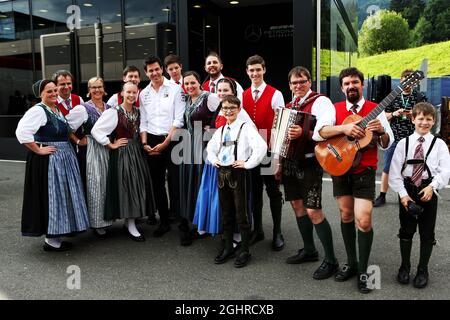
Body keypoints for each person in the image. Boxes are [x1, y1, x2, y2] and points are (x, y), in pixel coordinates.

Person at [317, 67, 394, 293]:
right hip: (340, 166)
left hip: (365, 170)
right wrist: (345, 128)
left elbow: (387, 143)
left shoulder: (375, 110)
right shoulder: (335, 108)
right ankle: (351, 263)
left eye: (355, 82)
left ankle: (364, 269)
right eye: (347, 83)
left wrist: (381, 132)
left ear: (362, 85)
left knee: (364, 220)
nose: (351, 86)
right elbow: (320, 132)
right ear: (342, 88)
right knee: (346, 214)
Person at [15, 79, 90, 251]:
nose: (54, 93)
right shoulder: (38, 111)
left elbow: (67, 129)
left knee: (63, 195)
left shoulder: (55, 109)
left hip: (64, 158)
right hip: (51, 160)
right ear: (40, 94)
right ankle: (51, 240)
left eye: (55, 90)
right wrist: (38, 150)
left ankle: (58, 234)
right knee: (53, 197)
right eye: (49, 91)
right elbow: (22, 132)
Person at [280, 66, 339, 279]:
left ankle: (331, 260)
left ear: (309, 82)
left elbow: (326, 131)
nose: (298, 85)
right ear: (289, 85)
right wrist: (278, 163)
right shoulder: (289, 106)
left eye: (302, 81)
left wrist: (304, 132)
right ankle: (309, 250)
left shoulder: (321, 101)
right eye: (294, 83)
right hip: (289, 163)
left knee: (314, 211)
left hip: (309, 162)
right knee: (297, 206)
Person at [389, 102, 450, 289]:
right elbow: (394, 173)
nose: (424, 122)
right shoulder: (403, 143)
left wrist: (433, 186)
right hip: (408, 190)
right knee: (406, 231)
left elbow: (445, 171)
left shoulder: (439, 144)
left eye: (429, 119)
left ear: (434, 122)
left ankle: (423, 269)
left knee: (427, 233)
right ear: (413, 119)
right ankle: (404, 265)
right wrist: (403, 195)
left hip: (428, 190)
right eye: (421, 118)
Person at [91, 82, 156, 242]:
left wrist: (145, 143)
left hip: (137, 152)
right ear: (122, 93)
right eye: (129, 92)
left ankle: (130, 222)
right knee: (126, 187)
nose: (132, 95)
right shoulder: (113, 112)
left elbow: (143, 129)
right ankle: (130, 223)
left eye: (134, 93)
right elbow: (96, 130)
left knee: (137, 186)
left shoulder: (139, 112)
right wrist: (111, 144)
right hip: (123, 153)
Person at [207, 95, 267, 268]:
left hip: (238, 173)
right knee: (226, 212)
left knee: (242, 213)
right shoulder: (220, 130)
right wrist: (213, 160)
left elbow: (261, 146)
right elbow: (210, 148)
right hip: (222, 173)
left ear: (239, 110)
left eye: (232, 108)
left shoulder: (246, 127)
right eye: (225, 108)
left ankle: (245, 250)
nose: (228, 111)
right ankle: (227, 247)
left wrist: (248, 164)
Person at [193, 78, 251, 238]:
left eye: (225, 90)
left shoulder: (240, 111)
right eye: (219, 90)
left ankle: (237, 235)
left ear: (233, 92)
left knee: (235, 201)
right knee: (217, 199)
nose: (222, 93)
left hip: (232, 163)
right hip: (216, 163)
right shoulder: (219, 108)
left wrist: (243, 156)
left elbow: (250, 132)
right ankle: (220, 229)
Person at [242, 54, 285, 251]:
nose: (255, 73)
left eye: (258, 69)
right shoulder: (242, 95)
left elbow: (279, 127)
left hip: (268, 150)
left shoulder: (275, 94)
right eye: (251, 70)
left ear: (264, 70)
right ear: (247, 72)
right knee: (254, 192)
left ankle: (277, 231)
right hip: (251, 153)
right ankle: (258, 230)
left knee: (274, 192)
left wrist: (277, 155)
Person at [140, 55, 185, 235]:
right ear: (146, 72)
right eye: (150, 70)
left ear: (162, 69)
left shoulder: (176, 89)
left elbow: (179, 119)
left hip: (172, 140)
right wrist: (144, 143)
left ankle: (182, 223)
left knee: (175, 183)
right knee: (157, 184)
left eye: (157, 69)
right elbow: (143, 121)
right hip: (151, 141)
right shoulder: (143, 93)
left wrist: (166, 142)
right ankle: (164, 221)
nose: (155, 73)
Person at [66, 77, 113, 238]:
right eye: (93, 87)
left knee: (106, 185)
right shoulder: (83, 108)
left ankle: (106, 220)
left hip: (107, 149)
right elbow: (66, 126)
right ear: (89, 90)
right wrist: (78, 140)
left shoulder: (109, 108)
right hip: (92, 150)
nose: (97, 90)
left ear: (104, 88)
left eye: (99, 87)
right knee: (94, 185)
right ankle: (96, 223)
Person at [178, 70, 220, 246]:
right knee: (190, 183)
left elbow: (221, 113)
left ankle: (203, 225)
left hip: (203, 144)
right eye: (186, 84)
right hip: (188, 144)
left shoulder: (209, 98)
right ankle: (193, 220)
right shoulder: (187, 100)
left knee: (201, 183)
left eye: (192, 83)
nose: (189, 86)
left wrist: (212, 129)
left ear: (199, 83)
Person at [374, 69, 427, 207]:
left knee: (414, 168)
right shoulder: (393, 96)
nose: (407, 81)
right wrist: (394, 113)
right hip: (394, 138)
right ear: (401, 80)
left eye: (410, 79)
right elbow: (382, 115)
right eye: (404, 78)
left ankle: (413, 195)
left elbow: (427, 114)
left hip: (413, 139)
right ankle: (382, 195)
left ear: (415, 82)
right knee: (387, 168)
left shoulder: (419, 96)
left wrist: (413, 115)